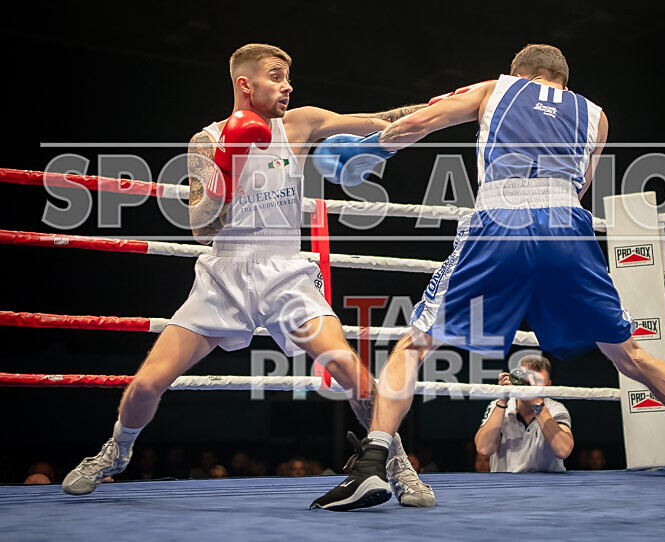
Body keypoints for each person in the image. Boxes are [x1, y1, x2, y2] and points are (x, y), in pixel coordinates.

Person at [311, 43, 665, 510]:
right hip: (568, 226)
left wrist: (364, 153)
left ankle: (372, 465)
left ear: (520, 73)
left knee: (416, 343)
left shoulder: (495, 89)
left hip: (501, 220)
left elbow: (418, 122)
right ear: (562, 80)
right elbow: (582, 185)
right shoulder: (597, 116)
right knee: (631, 355)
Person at [61, 43, 435, 507]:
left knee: (349, 370)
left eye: (288, 77)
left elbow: (384, 119)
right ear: (245, 83)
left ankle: (394, 464)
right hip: (224, 273)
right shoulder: (207, 141)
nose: (288, 85)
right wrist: (230, 164)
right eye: (277, 76)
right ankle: (115, 452)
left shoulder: (301, 123)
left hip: (285, 272)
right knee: (147, 383)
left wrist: (460, 103)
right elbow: (202, 228)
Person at [474, 354, 573, 472]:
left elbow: (563, 450)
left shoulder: (555, 409)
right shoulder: (499, 406)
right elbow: (484, 449)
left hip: (546, 486)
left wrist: (535, 401)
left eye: (538, 381)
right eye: (527, 380)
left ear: (548, 385)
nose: (531, 385)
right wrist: (502, 400)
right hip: (506, 485)